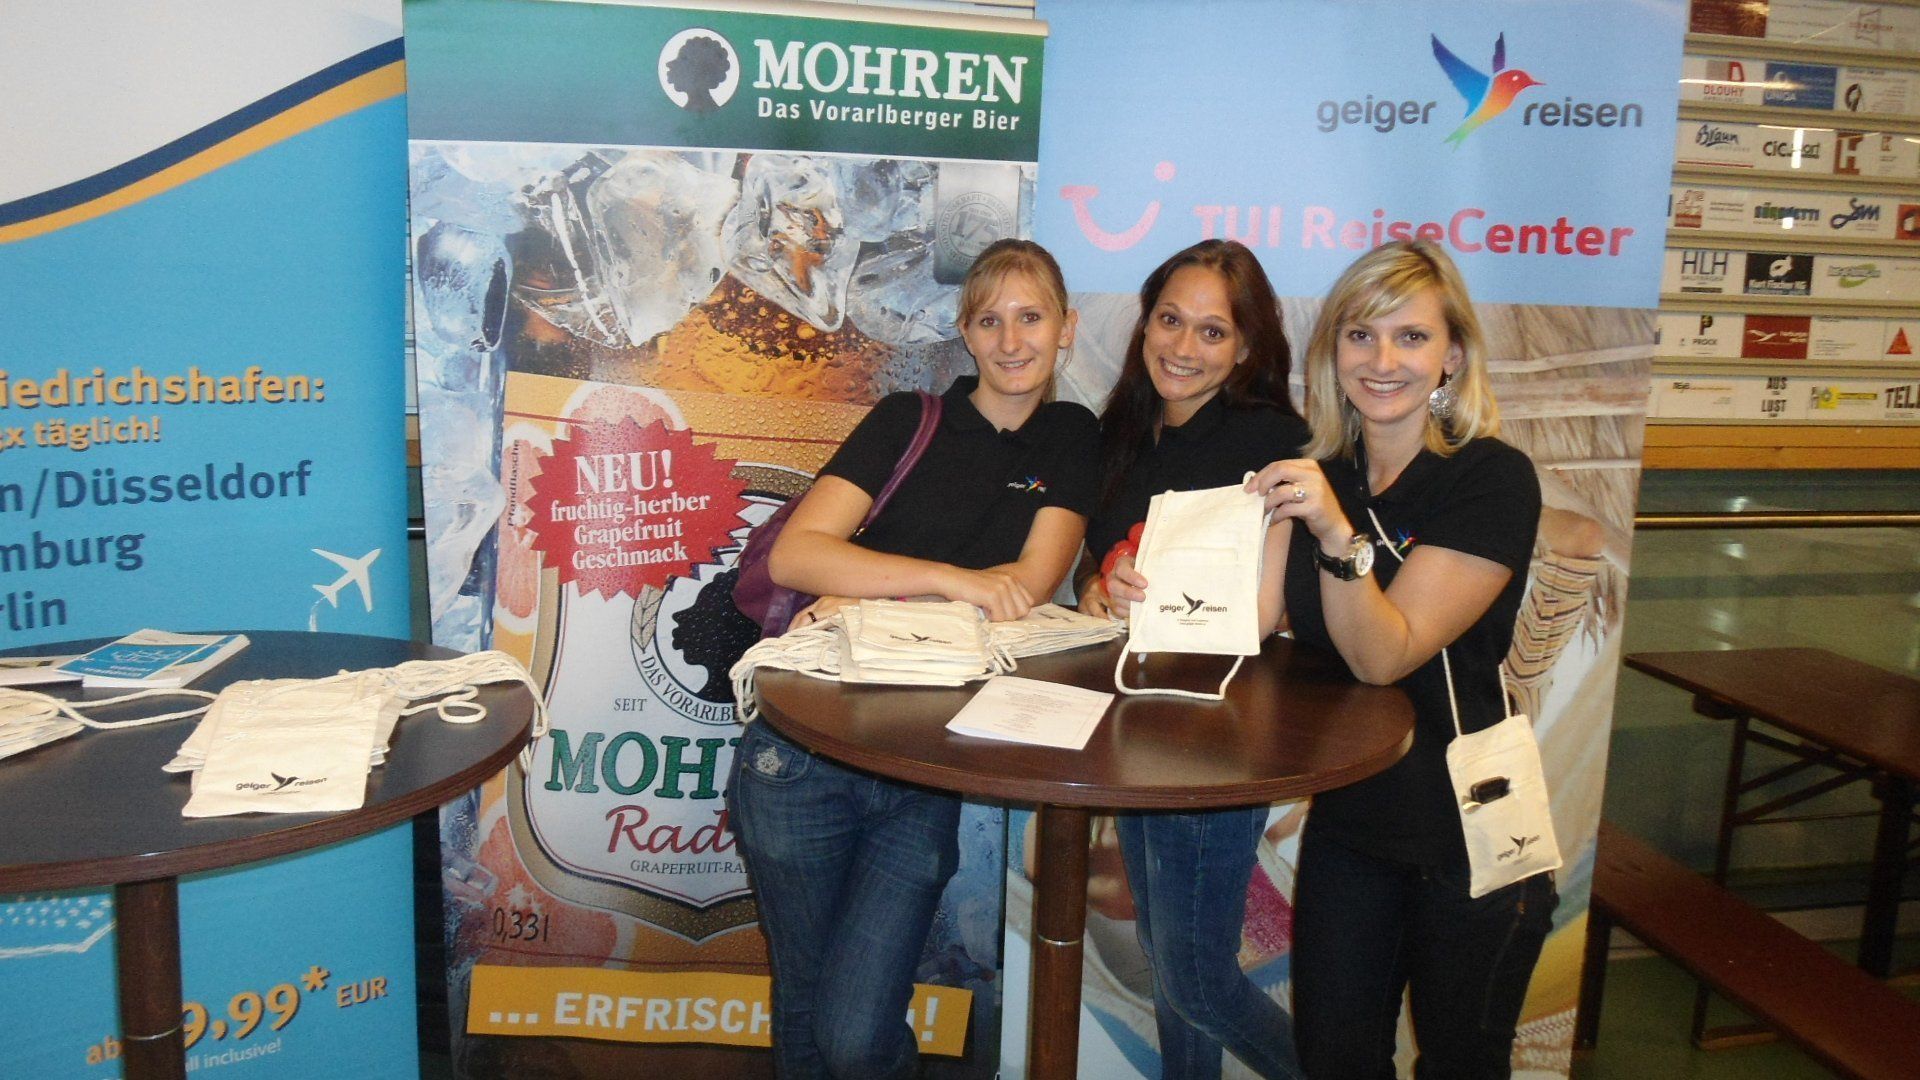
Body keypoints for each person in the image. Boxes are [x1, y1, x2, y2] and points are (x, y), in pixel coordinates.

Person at [727, 237, 1097, 1080]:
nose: (1012, 341)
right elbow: (799, 557)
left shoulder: (1073, 437)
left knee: (854, 1037)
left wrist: (867, 595)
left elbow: (1028, 588)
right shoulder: (908, 418)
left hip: (922, 768)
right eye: (990, 321)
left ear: (1067, 328)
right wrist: (948, 581)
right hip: (800, 753)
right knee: (806, 1009)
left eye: (1031, 318)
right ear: (965, 333)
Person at [1245, 239, 1552, 1079]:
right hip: (1351, 819)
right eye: (1361, 335)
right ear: (1333, 350)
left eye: (1411, 337)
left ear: (1452, 356)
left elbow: (1385, 655)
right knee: (1334, 1059)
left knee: (1460, 1064)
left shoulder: (1490, 478)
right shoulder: (1320, 473)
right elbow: (1258, 622)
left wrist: (1334, 532)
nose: (1382, 361)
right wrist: (1136, 587)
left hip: (1469, 822)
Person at [1078, 238, 1310, 1080]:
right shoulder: (1120, 432)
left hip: (1219, 734)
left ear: (1245, 347)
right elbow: (1098, 574)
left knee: (1199, 979)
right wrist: (1101, 586)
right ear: (1145, 324)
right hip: (1134, 717)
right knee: (1166, 957)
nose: (1183, 346)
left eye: (1213, 332)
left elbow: (1267, 612)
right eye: (1170, 320)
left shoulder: (1273, 441)